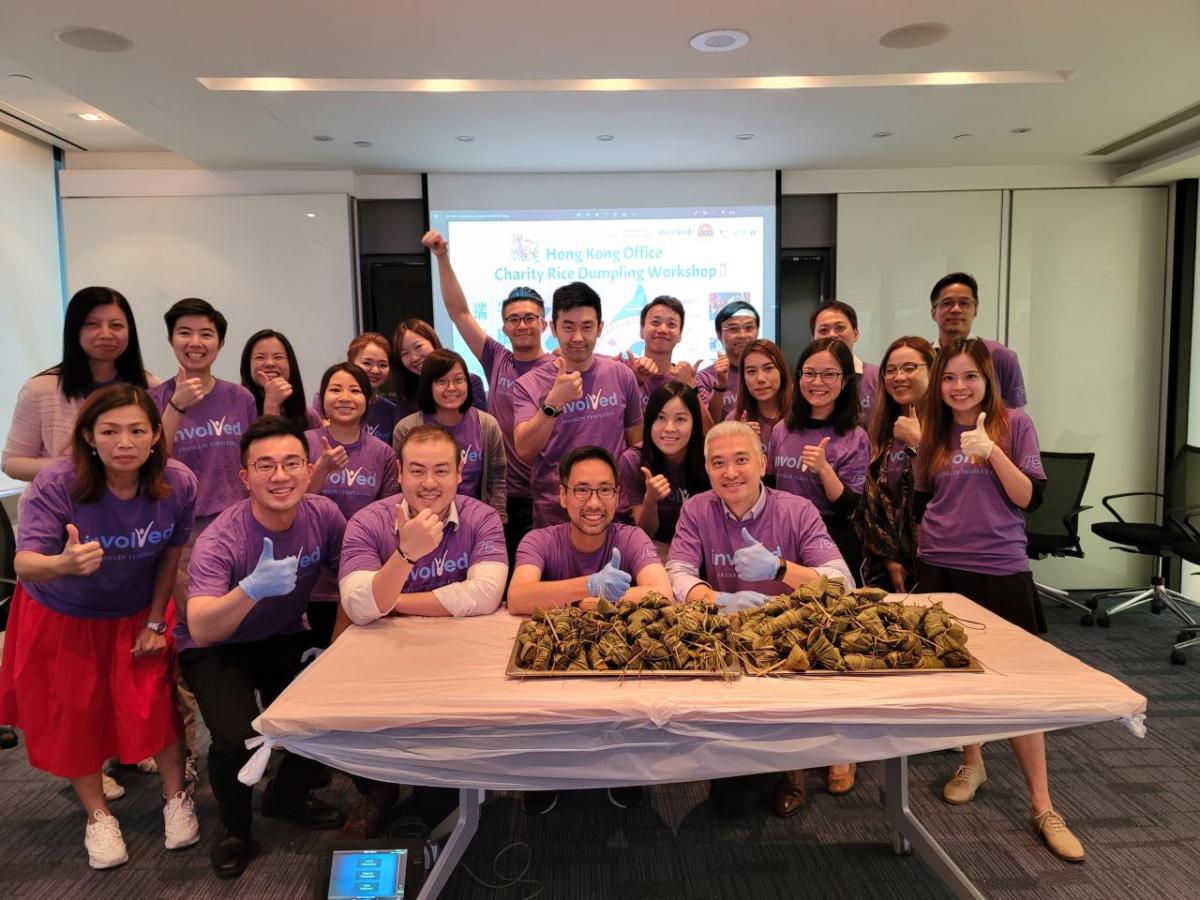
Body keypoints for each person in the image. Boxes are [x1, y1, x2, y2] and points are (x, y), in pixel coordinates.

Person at [0, 385, 200, 869]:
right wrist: (63, 564)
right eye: (110, 431)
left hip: (136, 609)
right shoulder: (58, 482)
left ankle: (177, 798)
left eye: (137, 430)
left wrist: (156, 621)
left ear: (156, 434)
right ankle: (97, 816)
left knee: (155, 703)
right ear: (89, 436)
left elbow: (170, 555)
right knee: (76, 712)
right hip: (62, 612)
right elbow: (23, 564)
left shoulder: (178, 482)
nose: (124, 442)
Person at [913, 338, 1082, 862]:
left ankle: (1043, 803)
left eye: (969, 377)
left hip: (1000, 565)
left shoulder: (1014, 425)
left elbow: (1030, 498)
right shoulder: (934, 429)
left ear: (988, 379)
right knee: (960, 672)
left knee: (1020, 686)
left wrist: (994, 454)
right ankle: (972, 759)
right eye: (949, 378)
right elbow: (923, 499)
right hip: (941, 563)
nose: (959, 387)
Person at [177, 416, 348, 879]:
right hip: (217, 645)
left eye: (292, 463)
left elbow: (352, 576)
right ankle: (235, 829)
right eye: (265, 465)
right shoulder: (221, 538)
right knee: (235, 737)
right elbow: (202, 626)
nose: (280, 476)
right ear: (244, 476)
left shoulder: (323, 515)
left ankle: (285, 797)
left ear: (308, 467)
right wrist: (250, 588)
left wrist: (333, 647)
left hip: (284, 632)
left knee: (321, 712)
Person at [666, 420, 855, 819]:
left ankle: (794, 764)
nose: (730, 472)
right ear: (707, 469)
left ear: (763, 462)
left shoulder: (798, 510)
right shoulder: (697, 509)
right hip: (729, 638)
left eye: (741, 460)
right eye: (718, 463)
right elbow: (678, 573)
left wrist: (780, 568)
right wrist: (716, 599)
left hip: (793, 644)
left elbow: (843, 582)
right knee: (729, 806)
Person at [336, 423, 508, 838]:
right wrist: (406, 554)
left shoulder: (480, 517)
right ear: (399, 471)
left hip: (458, 649)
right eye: (417, 471)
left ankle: (445, 793)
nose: (429, 483)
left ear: (460, 470)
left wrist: (390, 603)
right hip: (384, 651)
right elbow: (358, 605)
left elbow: (484, 594)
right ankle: (378, 791)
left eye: (440, 470)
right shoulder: (368, 521)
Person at [509, 445, 670, 814]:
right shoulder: (539, 540)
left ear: (617, 496)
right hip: (553, 663)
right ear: (562, 494)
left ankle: (620, 771)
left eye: (604, 490)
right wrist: (590, 585)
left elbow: (661, 591)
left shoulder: (630, 538)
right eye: (582, 490)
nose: (593, 502)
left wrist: (583, 601)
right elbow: (518, 597)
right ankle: (545, 772)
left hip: (615, 661)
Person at [423, 229, 552, 561]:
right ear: (505, 327)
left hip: (549, 493)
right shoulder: (497, 358)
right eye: (514, 319)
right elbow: (459, 313)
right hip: (504, 495)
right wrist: (442, 258)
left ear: (544, 324)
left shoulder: (560, 367)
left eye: (529, 318)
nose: (522, 325)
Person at [512, 282, 642, 527]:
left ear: (600, 328)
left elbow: (635, 447)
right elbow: (525, 449)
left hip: (614, 513)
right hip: (555, 515)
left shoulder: (621, 375)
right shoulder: (528, 384)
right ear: (553, 328)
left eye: (587, 327)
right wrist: (553, 402)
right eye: (568, 327)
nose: (578, 338)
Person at [3, 286, 156, 484]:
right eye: (92, 324)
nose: (106, 333)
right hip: (60, 507)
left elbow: (161, 454)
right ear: (75, 330)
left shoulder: (151, 387)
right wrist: (81, 467)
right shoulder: (40, 390)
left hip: (133, 506)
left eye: (116, 325)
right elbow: (12, 463)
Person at [304, 363, 399, 645]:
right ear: (321, 399)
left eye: (355, 390)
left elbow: (388, 517)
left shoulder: (382, 453)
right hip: (312, 579)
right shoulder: (304, 443)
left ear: (368, 400)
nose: (345, 397)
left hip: (362, 577)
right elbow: (291, 507)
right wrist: (320, 469)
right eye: (335, 389)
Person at [768, 338, 870, 579]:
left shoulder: (855, 437)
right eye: (810, 373)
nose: (817, 382)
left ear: (844, 380)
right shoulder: (781, 429)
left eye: (829, 374)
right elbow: (770, 488)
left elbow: (849, 506)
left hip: (830, 540)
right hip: (782, 535)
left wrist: (824, 469)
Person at [854, 337, 934, 592]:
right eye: (890, 370)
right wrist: (890, 558)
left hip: (935, 555)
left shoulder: (946, 428)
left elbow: (949, 488)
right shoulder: (884, 428)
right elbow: (877, 500)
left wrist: (917, 443)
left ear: (933, 370)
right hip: (890, 558)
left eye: (910, 368)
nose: (898, 377)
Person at [393, 349, 507, 524]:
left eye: (459, 380)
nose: (451, 388)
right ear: (427, 385)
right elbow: (401, 483)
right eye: (441, 381)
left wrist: (497, 522)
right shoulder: (407, 428)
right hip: (422, 521)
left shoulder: (487, 425)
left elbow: (496, 481)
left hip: (475, 521)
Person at [620, 382, 711, 555]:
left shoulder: (710, 457)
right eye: (660, 418)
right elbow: (646, 533)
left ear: (694, 425)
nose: (669, 428)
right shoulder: (633, 460)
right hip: (656, 548)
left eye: (680, 419)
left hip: (703, 547)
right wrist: (651, 499)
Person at [929, 272, 1027, 408]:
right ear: (933, 312)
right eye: (947, 303)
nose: (956, 309)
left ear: (975, 310)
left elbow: (1016, 411)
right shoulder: (922, 358)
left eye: (964, 303)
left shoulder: (1000, 356)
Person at [391, 318, 487, 419]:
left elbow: (477, 426)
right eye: (405, 353)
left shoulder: (471, 383)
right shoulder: (406, 395)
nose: (414, 358)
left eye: (418, 347)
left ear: (433, 342)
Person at [622, 295, 703, 409]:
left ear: (680, 335)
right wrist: (630, 380)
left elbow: (708, 427)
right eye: (655, 322)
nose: (662, 330)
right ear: (641, 330)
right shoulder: (624, 371)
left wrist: (690, 387)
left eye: (671, 324)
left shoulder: (688, 378)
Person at [240, 329, 321, 431]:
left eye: (278, 357)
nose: (270, 363)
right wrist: (271, 405)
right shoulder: (236, 412)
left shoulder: (309, 416)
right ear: (248, 366)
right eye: (260, 357)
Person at [696, 300, 759, 423]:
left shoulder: (770, 371)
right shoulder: (705, 378)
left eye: (749, 328)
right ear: (719, 335)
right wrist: (720, 386)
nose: (742, 335)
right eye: (733, 329)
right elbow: (708, 424)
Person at [811, 299, 879, 411]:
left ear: (856, 333)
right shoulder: (806, 381)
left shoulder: (877, 377)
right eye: (823, 330)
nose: (832, 335)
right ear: (813, 338)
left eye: (840, 328)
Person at [730, 338, 792, 448]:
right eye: (751, 371)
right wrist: (738, 442)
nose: (760, 379)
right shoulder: (735, 419)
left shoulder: (801, 414)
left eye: (768, 368)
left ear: (781, 372)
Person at [346, 332, 402, 441]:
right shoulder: (331, 401)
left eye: (383, 365)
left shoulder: (391, 410)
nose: (375, 370)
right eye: (367, 363)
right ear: (351, 363)